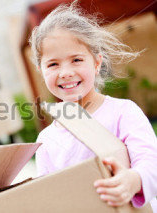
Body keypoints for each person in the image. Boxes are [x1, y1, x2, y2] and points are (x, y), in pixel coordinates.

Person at [29, 1, 157, 211]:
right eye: (53, 64)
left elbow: (151, 162)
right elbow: (50, 196)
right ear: (41, 70)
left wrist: (132, 181)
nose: (66, 72)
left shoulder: (123, 112)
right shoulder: (45, 141)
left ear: (97, 63)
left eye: (76, 59)